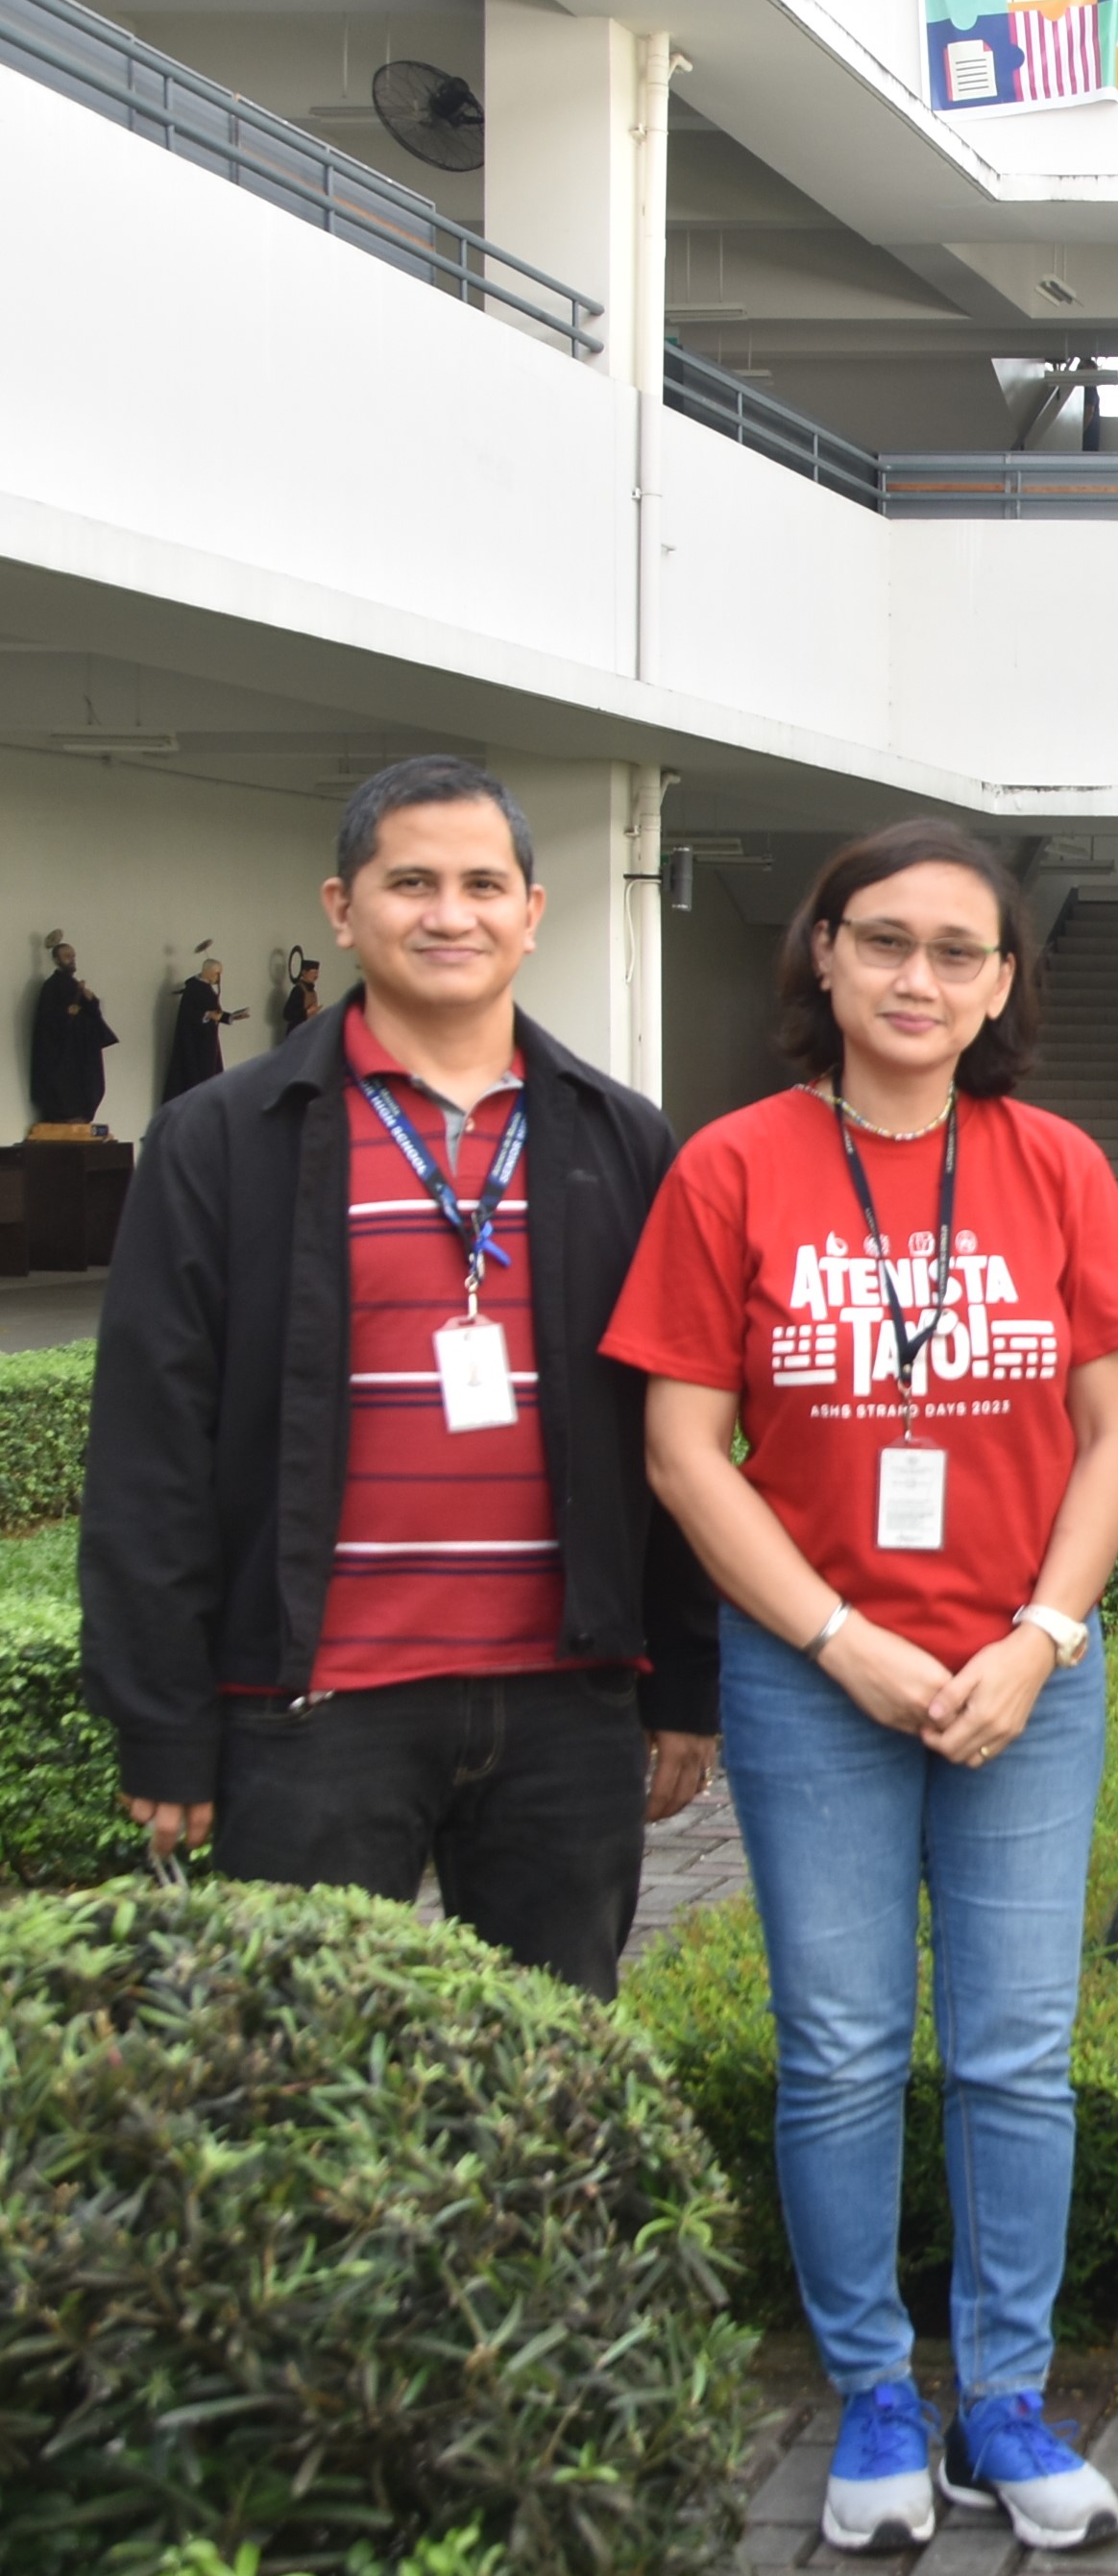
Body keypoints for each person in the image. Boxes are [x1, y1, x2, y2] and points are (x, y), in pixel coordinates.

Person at [605, 820, 1118, 2561]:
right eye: (887, 942)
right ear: (824, 957)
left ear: (1002, 982)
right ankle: (869, 2388)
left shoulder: (1055, 1163)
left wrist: (1041, 1637)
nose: (920, 978)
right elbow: (684, 1450)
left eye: (960, 951)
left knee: (1017, 2056)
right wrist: (836, 1636)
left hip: (1021, 1677)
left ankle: (1003, 2394)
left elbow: (1115, 1430)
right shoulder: (732, 1167)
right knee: (838, 2051)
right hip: (807, 1680)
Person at [82, 756, 718, 1996]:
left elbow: (679, 1424)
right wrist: (162, 1719)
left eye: (484, 883)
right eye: (410, 880)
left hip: (564, 1705)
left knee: (553, 2069)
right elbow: (152, 1440)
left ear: (532, 913)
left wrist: (685, 1682)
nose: (449, 911)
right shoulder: (225, 1138)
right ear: (342, 905)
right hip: (312, 1711)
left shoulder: (620, 1137)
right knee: (295, 2068)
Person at [28, 929, 115, 1127]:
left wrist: (90, 1000)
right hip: (62, 1051)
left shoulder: (75, 985)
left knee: (91, 1082)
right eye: (67, 956)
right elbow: (47, 1020)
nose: (72, 960)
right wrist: (66, 1013)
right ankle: (65, 1114)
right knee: (63, 1084)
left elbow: (92, 1012)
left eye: (73, 956)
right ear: (57, 960)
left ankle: (82, 1113)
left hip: (80, 1048)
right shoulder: (51, 986)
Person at [162, 949, 242, 1102]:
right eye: (216, 974)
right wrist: (207, 1015)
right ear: (206, 972)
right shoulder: (193, 988)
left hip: (207, 1043)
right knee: (196, 1080)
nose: (218, 978)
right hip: (195, 1044)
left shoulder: (206, 988)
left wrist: (230, 1017)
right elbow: (188, 1014)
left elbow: (213, 1011)